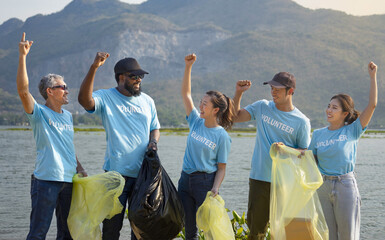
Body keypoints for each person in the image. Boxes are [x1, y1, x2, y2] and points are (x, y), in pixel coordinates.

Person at [78, 52, 160, 240]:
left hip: (143, 174)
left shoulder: (148, 101)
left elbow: (155, 128)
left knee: (140, 228)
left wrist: (153, 142)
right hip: (116, 175)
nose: (139, 80)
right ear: (121, 78)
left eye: (141, 76)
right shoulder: (106, 97)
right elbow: (85, 101)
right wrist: (94, 67)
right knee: (111, 228)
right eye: (134, 76)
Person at [16, 32, 87, 240]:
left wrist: (80, 168)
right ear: (50, 91)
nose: (67, 90)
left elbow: (67, 147)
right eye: (62, 87)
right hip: (46, 180)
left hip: (69, 180)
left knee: (67, 234)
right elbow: (22, 91)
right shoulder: (38, 113)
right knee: (38, 233)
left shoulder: (67, 116)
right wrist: (22, 56)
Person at [233, 72, 311, 240]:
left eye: (278, 89)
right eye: (272, 88)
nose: (273, 92)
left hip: (286, 183)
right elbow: (234, 117)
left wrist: (287, 149)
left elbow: (304, 154)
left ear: (290, 91)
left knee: (283, 232)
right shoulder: (262, 107)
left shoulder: (301, 121)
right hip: (259, 178)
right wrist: (239, 93)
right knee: (256, 232)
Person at [308, 62, 378, 240]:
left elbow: (372, 105)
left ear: (345, 113)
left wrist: (372, 77)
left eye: (334, 107)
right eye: (329, 106)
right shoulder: (317, 135)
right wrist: (284, 151)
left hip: (345, 186)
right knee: (329, 236)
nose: (329, 110)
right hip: (322, 187)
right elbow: (307, 159)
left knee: (348, 236)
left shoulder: (352, 130)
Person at [178, 53, 234, 240]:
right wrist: (188, 67)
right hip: (185, 181)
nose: (200, 106)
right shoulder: (195, 121)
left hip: (205, 183)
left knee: (210, 230)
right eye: (200, 103)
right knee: (189, 229)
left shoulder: (221, 136)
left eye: (205, 104)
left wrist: (215, 188)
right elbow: (186, 94)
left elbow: (221, 168)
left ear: (215, 110)